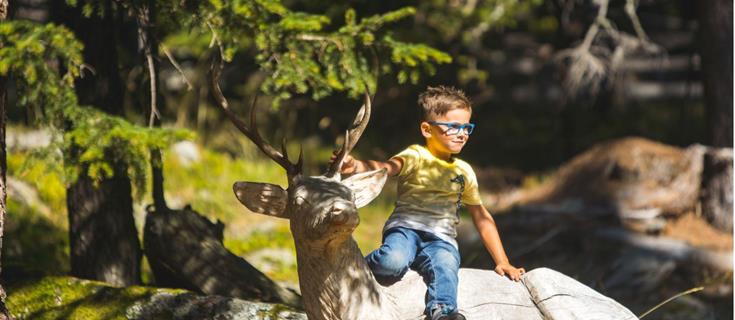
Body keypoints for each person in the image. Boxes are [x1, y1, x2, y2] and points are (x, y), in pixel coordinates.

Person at [331, 86, 525, 320]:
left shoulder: (464, 171)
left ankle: (443, 312)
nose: (462, 133)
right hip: (405, 230)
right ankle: (355, 265)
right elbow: (386, 168)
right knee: (393, 262)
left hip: (441, 240)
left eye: (467, 127)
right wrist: (357, 166)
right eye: (454, 127)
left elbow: (481, 217)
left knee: (446, 266)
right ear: (427, 129)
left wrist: (502, 261)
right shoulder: (415, 155)